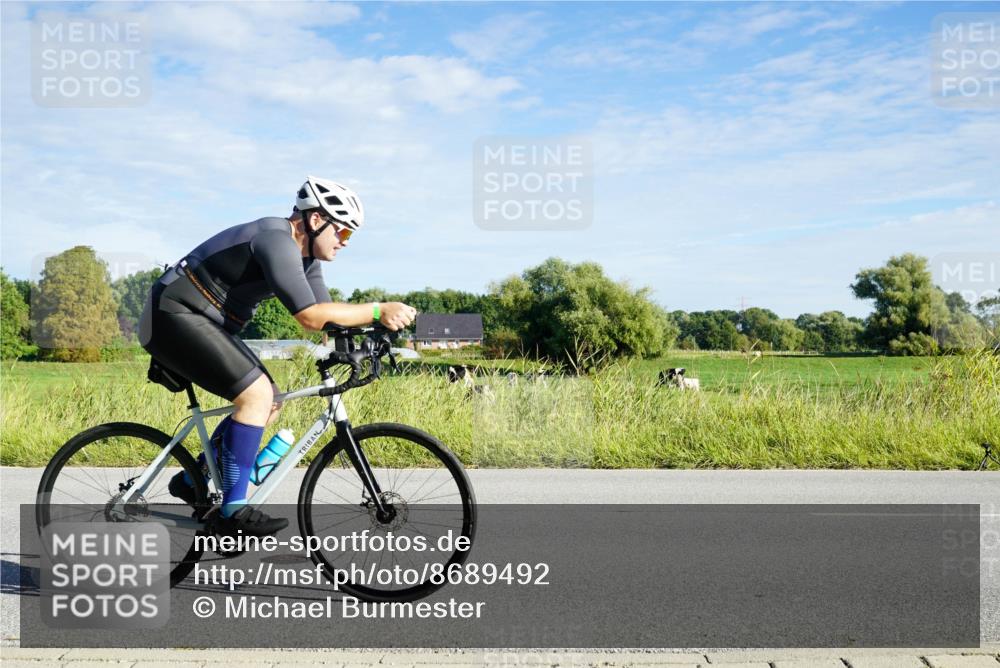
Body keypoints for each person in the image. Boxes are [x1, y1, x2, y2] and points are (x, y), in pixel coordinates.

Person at [138, 176, 417, 536]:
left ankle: (194, 482)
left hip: (204, 321)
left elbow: (324, 316)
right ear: (316, 221)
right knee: (256, 394)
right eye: (343, 233)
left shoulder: (307, 262)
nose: (345, 243)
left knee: (269, 401)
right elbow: (309, 316)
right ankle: (232, 512)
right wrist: (378, 310)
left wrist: (371, 337)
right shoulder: (276, 240)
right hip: (173, 314)